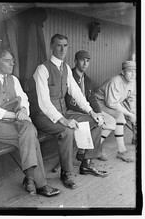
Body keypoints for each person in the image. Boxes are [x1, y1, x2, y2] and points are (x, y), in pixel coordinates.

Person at [33, 34, 108, 190]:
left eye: (65, 45)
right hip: (44, 116)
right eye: (59, 45)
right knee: (67, 131)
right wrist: (63, 120)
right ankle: (66, 173)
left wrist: (92, 111)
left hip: (63, 112)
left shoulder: (66, 68)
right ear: (51, 47)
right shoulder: (42, 69)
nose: (62, 49)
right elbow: (44, 103)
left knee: (96, 122)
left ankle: (86, 163)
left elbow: (77, 93)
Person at [0, 46, 60, 197]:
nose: (12, 64)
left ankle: (31, 180)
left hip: (16, 119)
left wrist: (24, 111)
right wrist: (17, 115)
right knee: (30, 135)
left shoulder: (13, 79)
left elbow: (24, 99)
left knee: (29, 131)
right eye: (7, 61)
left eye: (12, 61)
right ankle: (38, 183)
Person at [65, 50, 116, 161]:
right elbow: (69, 102)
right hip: (72, 112)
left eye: (87, 61)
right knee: (95, 122)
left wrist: (98, 112)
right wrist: (90, 113)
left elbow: (92, 99)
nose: (85, 63)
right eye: (82, 60)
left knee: (111, 122)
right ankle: (89, 152)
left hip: (88, 110)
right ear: (75, 61)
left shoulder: (88, 80)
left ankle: (89, 149)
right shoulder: (69, 76)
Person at [95, 60, 136, 162]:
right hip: (97, 102)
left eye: (135, 71)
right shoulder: (115, 81)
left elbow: (130, 99)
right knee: (118, 118)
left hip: (108, 103)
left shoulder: (132, 82)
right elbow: (111, 103)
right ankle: (92, 149)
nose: (133, 74)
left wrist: (133, 113)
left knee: (121, 117)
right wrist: (128, 113)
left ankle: (121, 151)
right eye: (129, 71)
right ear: (123, 72)